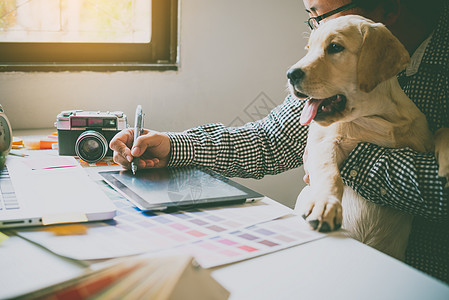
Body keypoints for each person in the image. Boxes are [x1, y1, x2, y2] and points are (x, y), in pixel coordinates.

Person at [110, 0, 449, 284]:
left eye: (322, 13)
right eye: (310, 17)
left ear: (389, 9)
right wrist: (172, 146)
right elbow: (272, 139)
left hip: (421, 277)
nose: (317, 27)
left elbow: (443, 193)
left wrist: (342, 159)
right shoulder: (329, 68)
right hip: (332, 261)